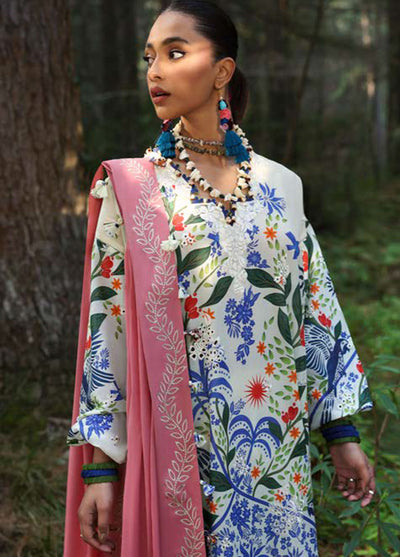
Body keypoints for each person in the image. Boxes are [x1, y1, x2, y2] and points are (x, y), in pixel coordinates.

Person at [63, 1, 376, 555]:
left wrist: (340, 434)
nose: (155, 71)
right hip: (182, 461)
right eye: (149, 57)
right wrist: (101, 472)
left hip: (279, 465)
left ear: (222, 71)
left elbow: (315, 313)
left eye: (175, 53)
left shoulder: (283, 187)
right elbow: (107, 331)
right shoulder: (134, 188)